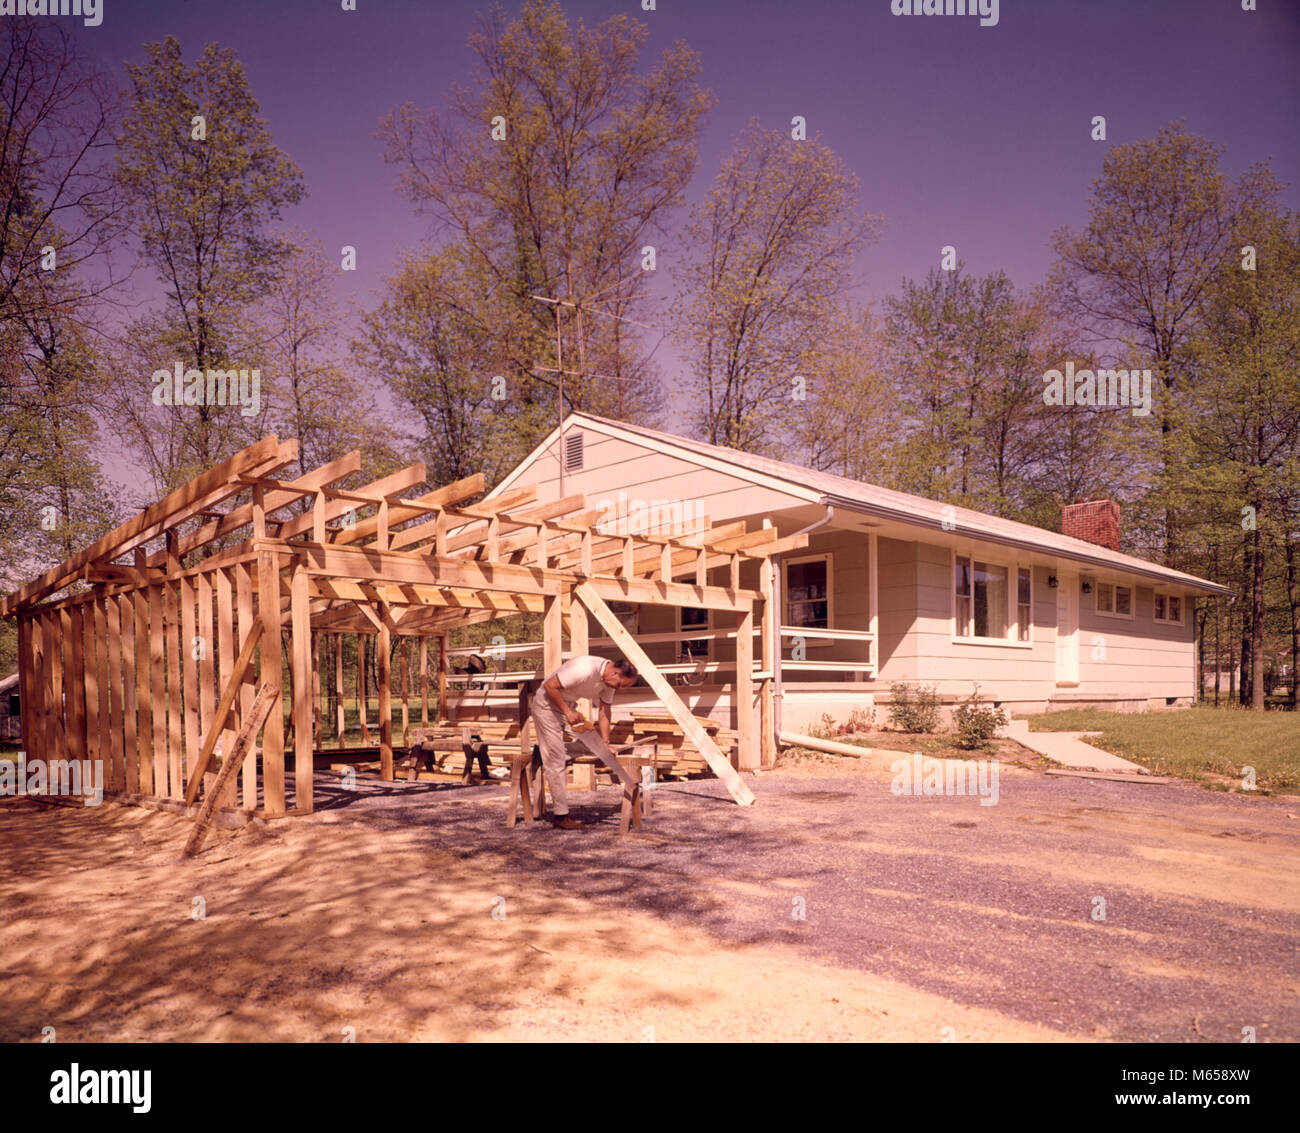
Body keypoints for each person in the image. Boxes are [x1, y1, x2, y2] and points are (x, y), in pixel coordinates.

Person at [530, 655, 638, 830]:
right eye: (619, 684)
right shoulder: (584, 668)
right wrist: (567, 712)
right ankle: (561, 816)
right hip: (546, 705)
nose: (618, 688)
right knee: (556, 761)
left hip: (568, 706)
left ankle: (543, 753)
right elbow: (550, 686)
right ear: (615, 672)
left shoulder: (610, 681)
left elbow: (604, 712)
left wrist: (605, 743)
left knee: (594, 748)